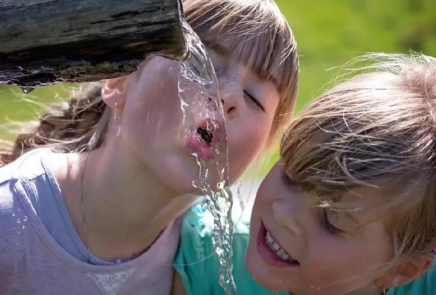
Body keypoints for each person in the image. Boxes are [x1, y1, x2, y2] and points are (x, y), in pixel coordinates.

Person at [0, 0, 299, 294]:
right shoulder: (11, 222)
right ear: (119, 80)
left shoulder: (208, 258)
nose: (229, 95)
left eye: (254, 97)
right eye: (200, 64)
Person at [174, 52, 436, 295]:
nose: (285, 215)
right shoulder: (208, 260)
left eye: (330, 220)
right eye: (291, 177)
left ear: (401, 269)